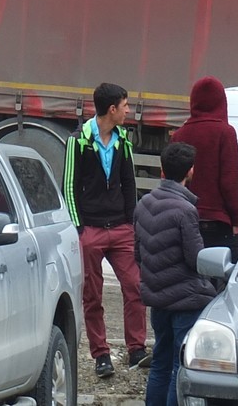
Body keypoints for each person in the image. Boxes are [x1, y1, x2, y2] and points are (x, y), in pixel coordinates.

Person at [64, 82, 149, 378]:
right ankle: (101, 355)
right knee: (93, 295)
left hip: (122, 229)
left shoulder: (123, 141)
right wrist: (79, 229)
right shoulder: (78, 141)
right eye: (125, 106)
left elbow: (130, 186)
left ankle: (136, 349)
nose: (128, 111)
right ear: (112, 109)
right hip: (91, 230)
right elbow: (69, 187)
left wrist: (131, 223)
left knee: (135, 287)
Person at [134, 142, 217, 406]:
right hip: (185, 300)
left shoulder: (144, 203)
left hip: (157, 300)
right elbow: (196, 259)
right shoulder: (186, 210)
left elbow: (138, 253)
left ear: (162, 169)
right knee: (179, 366)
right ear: (190, 171)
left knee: (159, 363)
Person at [170, 76, 238, 261]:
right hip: (218, 224)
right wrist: (237, 220)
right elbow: (230, 181)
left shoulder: (179, 134)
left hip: (185, 220)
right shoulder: (225, 133)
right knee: (223, 280)